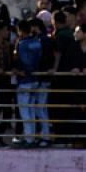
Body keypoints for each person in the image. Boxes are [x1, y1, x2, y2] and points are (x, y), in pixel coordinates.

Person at [13, 18, 50, 146]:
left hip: (25, 80)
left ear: (20, 31)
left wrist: (20, 70)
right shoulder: (37, 42)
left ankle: (29, 138)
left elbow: (24, 61)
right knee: (33, 110)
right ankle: (32, 137)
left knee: (25, 111)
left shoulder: (22, 44)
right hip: (36, 79)